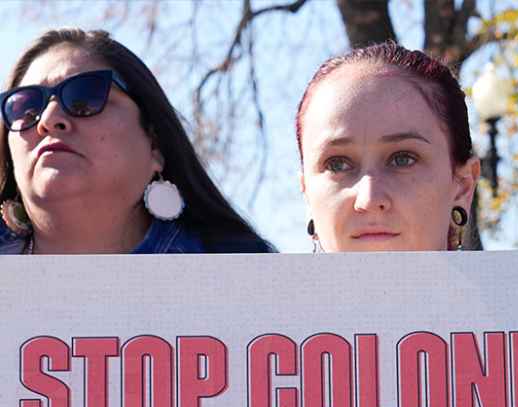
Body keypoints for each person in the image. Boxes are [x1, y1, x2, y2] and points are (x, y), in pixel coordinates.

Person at [0, 28, 272, 254]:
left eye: (84, 98)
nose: (49, 118)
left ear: (154, 144)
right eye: (26, 108)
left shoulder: (250, 283)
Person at [296, 41, 480, 253]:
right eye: (337, 164)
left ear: (463, 186)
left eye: (403, 159)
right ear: (306, 193)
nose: (369, 199)